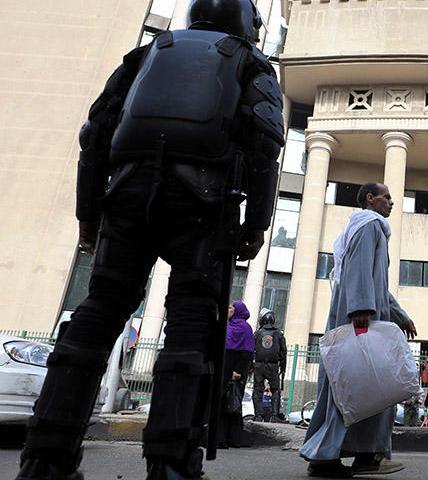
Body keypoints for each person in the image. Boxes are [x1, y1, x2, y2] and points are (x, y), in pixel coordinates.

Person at [15, 0, 284, 478]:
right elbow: (265, 142)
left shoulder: (146, 54)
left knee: (97, 316)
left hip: (126, 192)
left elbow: (93, 134)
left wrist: (87, 215)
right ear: (245, 22)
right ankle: (171, 463)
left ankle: (45, 457)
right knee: (191, 325)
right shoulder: (249, 61)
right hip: (203, 202)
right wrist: (257, 223)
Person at [300, 183, 418, 478]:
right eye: (386, 197)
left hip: (363, 312)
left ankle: (368, 456)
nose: (392, 202)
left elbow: (376, 281)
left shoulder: (368, 228)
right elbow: (359, 270)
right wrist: (361, 309)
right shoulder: (369, 225)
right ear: (370, 199)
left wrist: (399, 315)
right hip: (359, 318)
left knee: (368, 388)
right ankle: (326, 458)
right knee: (352, 387)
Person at [217, 301, 255, 448]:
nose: (229, 308)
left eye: (232, 307)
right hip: (224, 368)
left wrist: (238, 371)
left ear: (239, 310)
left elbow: (247, 352)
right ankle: (223, 439)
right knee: (222, 403)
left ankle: (228, 439)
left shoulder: (245, 328)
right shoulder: (228, 325)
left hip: (235, 371)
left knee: (232, 404)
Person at [253, 308, 287, 423]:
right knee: (275, 390)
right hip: (273, 366)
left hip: (258, 365)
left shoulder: (257, 333)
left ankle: (258, 415)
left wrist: (250, 366)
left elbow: (251, 349)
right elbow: (283, 352)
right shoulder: (278, 333)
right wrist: (283, 367)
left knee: (258, 389)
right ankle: (274, 415)